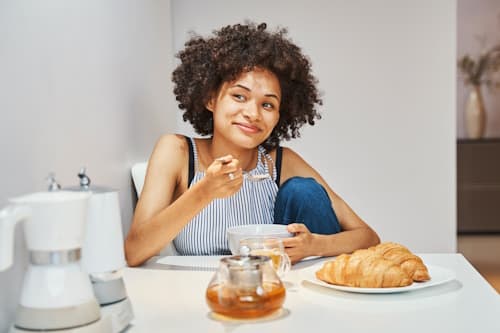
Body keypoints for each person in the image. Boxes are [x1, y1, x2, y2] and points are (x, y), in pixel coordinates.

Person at [125, 22, 379, 267]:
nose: (253, 113)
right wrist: (204, 191)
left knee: (304, 191)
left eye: (267, 104)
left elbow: (367, 236)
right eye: (239, 96)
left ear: (280, 115)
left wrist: (314, 245)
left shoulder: (281, 161)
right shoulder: (177, 151)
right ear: (210, 99)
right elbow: (135, 252)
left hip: (272, 288)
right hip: (201, 293)